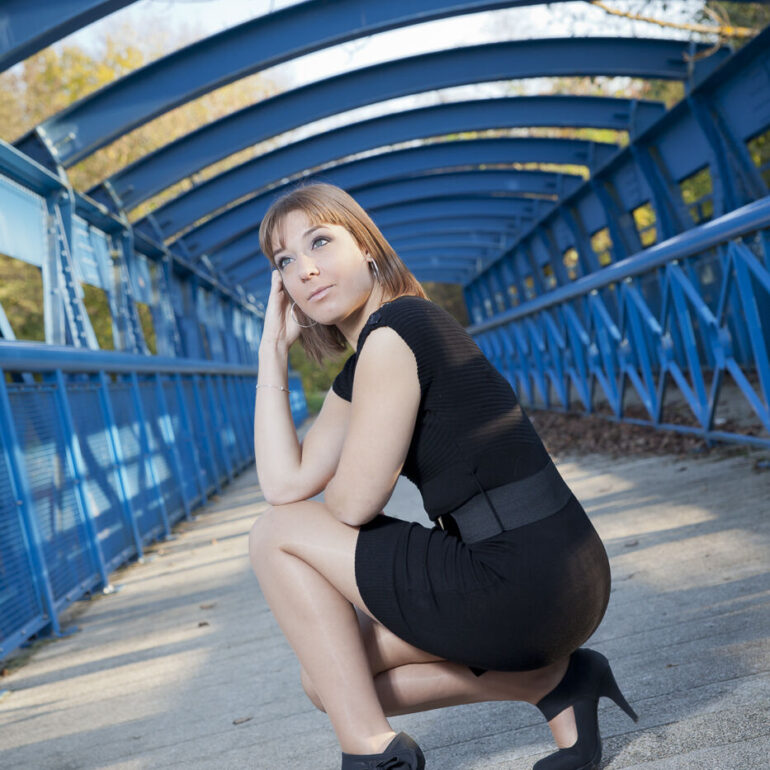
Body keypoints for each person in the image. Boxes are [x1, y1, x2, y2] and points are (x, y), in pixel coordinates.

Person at [249, 182, 637, 770]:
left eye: (320, 242)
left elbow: (350, 505)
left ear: (366, 246)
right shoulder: (384, 345)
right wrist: (271, 355)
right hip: (564, 574)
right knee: (328, 678)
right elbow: (284, 483)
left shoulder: (395, 332)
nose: (305, 270)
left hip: (522, 580)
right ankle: (556, 684)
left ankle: (371, 754)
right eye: (285, 261)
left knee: (275, 533)